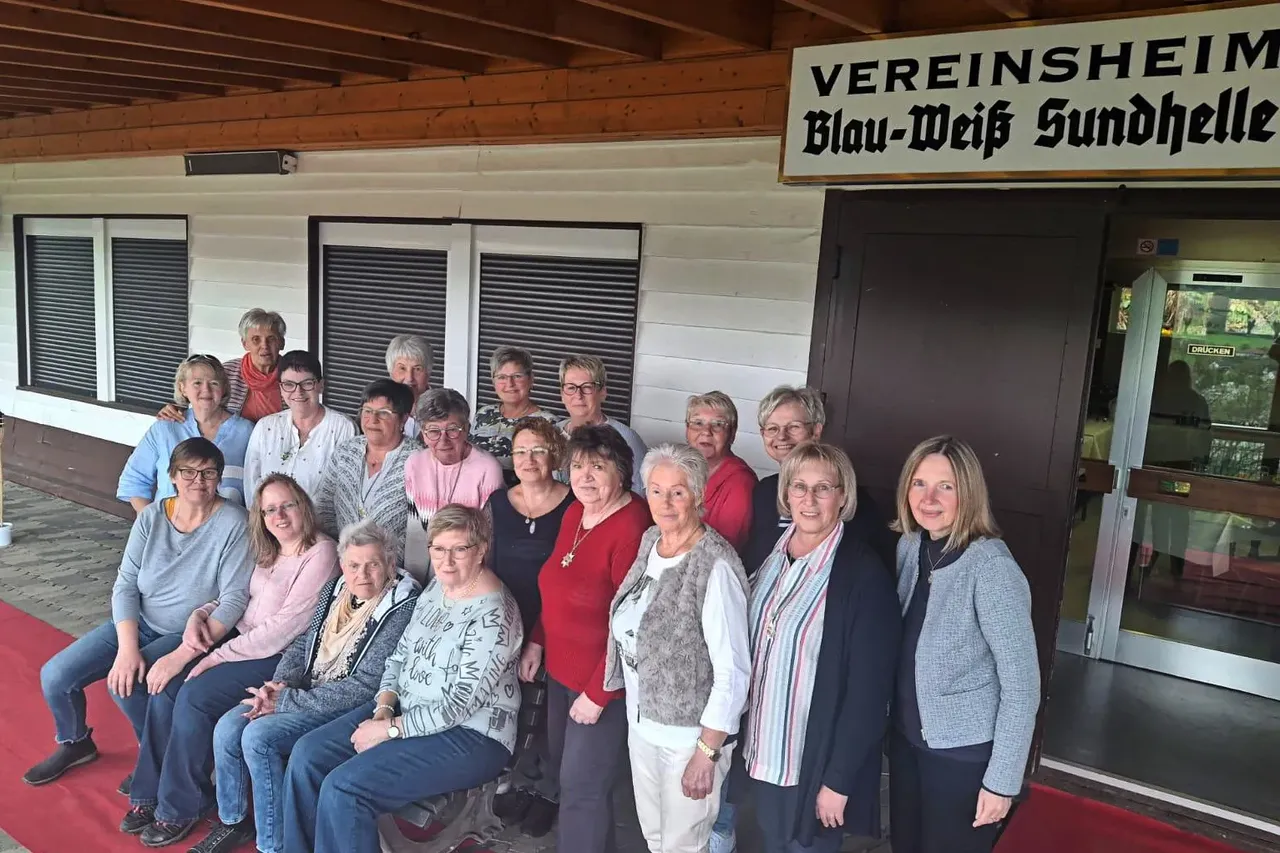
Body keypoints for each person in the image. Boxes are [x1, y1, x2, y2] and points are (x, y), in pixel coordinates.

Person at [281, 505, 523, 853]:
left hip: (472, 736)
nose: (447, 560)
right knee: (308, 755)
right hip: (407, 712)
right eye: (438, 549)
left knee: (347, 788)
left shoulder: (493, 615)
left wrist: (389, 730)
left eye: (459, 549)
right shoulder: (437, 588)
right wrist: (383, 707)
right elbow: (399, 655)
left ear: (482, 549)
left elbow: (456, 707)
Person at [122, 475, 340, 847]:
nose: (279, 516)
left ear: (303, 505)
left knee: (193, 693)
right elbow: (237, 597)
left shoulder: (321, 552)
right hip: (239, 640)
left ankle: (181, 805)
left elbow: (281, 630)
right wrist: (201, 615)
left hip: (276, 658)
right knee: (167, 685)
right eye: (270, 509)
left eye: (287, 505)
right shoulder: (267, 548)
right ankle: (150, 791)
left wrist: (213, 657)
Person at [24, 439, 254, 788]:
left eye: (208, 472)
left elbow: (234, 599)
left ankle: (156, 759)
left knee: (128, 687)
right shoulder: (152, 516)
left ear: (219, 477)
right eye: (188, 471)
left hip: (190, 633)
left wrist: (182, 651)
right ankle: (75, 742)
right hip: (144, 622)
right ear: (173, 476)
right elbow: (126, 585)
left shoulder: (235, 522)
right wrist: (127, 649)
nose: (198, 480)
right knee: (56, 676)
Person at [197, 520, 420, 853]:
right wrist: (279, 684)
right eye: (354, 565)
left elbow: (367, 685)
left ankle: (274, 845)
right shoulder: (335, 589)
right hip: (301, 690)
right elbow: (304, 643)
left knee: (258, 738)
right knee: (229, 727)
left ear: (389, 564)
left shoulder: (401, 604)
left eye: (373, 564)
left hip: (340, 705)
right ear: (343, 565)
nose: (363, 574)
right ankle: (234, 821)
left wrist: (287, 701)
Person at [742, 441, 900, 853]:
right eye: (799, 486)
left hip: (812, 769)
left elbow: (869, 694)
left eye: (823, 488)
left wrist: (838, 780)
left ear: (843, 496)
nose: (808, 500)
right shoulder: (768, 555)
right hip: (761, 755)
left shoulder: (863, 575)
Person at [888, 436, 1040, 853]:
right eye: (919, 483)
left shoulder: (991, 568)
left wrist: (1002, 781)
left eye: (946, 486)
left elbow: (1022, 686)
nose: (929, 498)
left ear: (968, 493)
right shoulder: (911, 546)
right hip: (906, 744)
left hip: (961, 757)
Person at [605, 443, 750, 853]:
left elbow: (733, 671)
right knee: (655, 838)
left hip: (689, 738)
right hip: (643, 725)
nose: (665, 503)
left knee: (684, 846)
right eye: (656, 490)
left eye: (678, 492)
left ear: (699, 495)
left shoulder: (714, 567)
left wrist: (707, 752)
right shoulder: (652, 540)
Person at [523, 425, 652, 853]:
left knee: (582, 787)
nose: (585, 476)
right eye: (578, 466)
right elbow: (557, 583)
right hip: (561, 672)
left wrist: (599, 691)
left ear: (622, 473)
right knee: (572, 778)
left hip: (602, 685)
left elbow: (633, 622)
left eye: (598, 467)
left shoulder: (633, 525)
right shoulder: (576, 513)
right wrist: (538, 639)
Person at [487, 418, 573, 836]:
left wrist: (538, 636)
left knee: (551, 715)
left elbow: (569, 578)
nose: (528, 459)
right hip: (508, 620)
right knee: (514, 705)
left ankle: (549, 790)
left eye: (538, 450)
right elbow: (489, 566)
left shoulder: (574, 505)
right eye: (520, 451)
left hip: (555, 623)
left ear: (554, 454)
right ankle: (514, 782)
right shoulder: (498, 503)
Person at [743, 385, 895, 575]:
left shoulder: (852, 502)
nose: (781, 436)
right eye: (772, 428)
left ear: (816, 431)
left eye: (794, 427)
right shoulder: (764, 491)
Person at [118, 355, 254, 513]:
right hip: (170, 529)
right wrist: (153, 524)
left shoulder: (247, 432)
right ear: (183, 388)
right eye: (197, 383)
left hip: (227, 533)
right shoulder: (165, 429)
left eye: (214, 383)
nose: (206, 390)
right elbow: (134, 481)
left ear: (223, 389)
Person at [314, 379, 421, 565]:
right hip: (343, 563)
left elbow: (419, 530)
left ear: (403, 418)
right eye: (367, 411)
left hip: (396, 568)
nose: (373, 420)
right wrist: (342, 555)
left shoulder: (419, 460)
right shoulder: (346, 451)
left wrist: (378, 560)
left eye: (384, 413)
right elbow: (324, 507)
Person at [403, 388, 505, 582]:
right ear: (423, 434)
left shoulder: (487, 469)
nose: (443, 440)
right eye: (433, 431)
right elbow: (415, 535)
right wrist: (415, 586)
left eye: (452, 430)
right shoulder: (414, 464)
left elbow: (489, 544)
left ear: (466, 429)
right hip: (425, 577)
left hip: (470, 577)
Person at [244, 350, 355, 498]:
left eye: (307, 383)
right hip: (270, 519)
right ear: (281, 388)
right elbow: (251, 485)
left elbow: (345, 490)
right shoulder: (266, 427)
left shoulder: (343, 427)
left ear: (321, 385)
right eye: (289, 384)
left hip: (320, 521)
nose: (298, 392)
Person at [158, 309, 286, 423]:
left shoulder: (293, 376)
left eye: (271, 339)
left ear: (281, 343)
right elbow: (200, 402)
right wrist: (177, 410)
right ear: (245, 344)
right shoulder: (226, 372)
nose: (264, 346)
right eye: (256, 339)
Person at [556, 354, 647, 493]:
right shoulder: (553, 434)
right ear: (562, 394)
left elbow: (638, 494)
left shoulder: (626, 439)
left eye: (587, 387)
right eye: (570, 387)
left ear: (603, 392)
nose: (578, 395)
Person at [471, 345, 557, 486]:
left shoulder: (548, 422)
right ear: (493, 382)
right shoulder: (483, 414)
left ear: (531, 379)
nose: (509, 384)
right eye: (502, 377)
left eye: (517, 376)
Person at [685, 392, 757, 553]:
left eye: (718, 424)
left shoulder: (740, 483)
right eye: (698, 423)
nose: (706, 431)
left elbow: (724, 551)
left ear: (732, 434)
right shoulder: (682, 470)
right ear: (687, 430)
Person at [385, 334, 434, 439]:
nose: (409, 378)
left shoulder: (444, 408)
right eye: (402, 368)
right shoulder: (380, 410)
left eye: (417, 369)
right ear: (391, 371)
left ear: (428, 372)